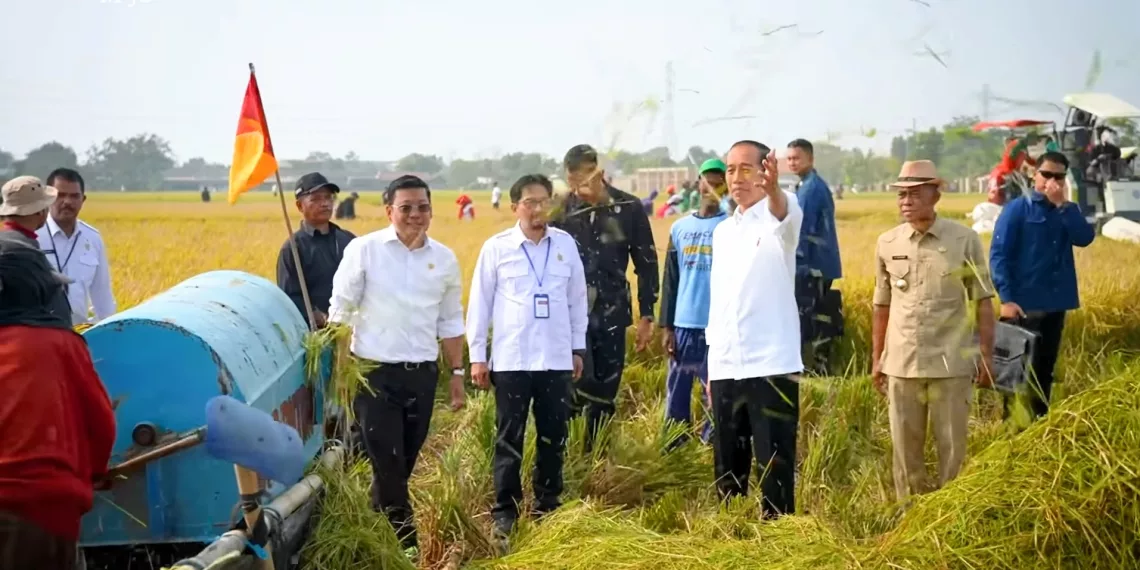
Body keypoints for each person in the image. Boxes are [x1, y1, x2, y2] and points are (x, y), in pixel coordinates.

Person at [327, 174, 466, 561]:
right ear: (389, 211)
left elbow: (451, 322)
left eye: (422, 207)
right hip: (373, 375)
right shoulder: (364, 250)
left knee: (401, 465)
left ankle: (368, 539)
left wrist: (456, 376)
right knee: (387, 464)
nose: (415, 215)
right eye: (406, 208)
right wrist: (340, 368)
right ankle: (406, 548)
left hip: (422, 375)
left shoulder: (444, 259)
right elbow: (341, 311)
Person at [0, 175, 116, 569]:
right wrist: (96, 473)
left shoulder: (90, 239)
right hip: (44, 513)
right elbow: (101, 424)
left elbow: (104, 301)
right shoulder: (63, 346)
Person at [466, 174, 588, 538]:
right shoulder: (497, 247)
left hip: (555, 359)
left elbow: (577, 299)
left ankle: (548, 504)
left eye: (544, 201)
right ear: (515, 206)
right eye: (530, 202)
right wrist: (477, 356)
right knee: (509, 438)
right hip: (512, 359)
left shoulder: (566, 245)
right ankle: (506, 511)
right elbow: (480, 304)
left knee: (554, 435)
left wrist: (577, 348)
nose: (538, 209)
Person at [871, 160, 995, 502]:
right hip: (901, 363)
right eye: (901, 195)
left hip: (950, 365)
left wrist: (985, 355)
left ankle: (948, 518)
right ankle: (908, 521)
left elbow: (983, 300)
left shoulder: (964, 240)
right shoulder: (887, 242)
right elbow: (881, 305)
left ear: (935, 194)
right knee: (905, 452)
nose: (905, 201)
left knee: (952, 450)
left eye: (914, 194)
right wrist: (876, 358)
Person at [705, 140, 803, 518]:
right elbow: (719, 302)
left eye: (746, 169)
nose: (736, 178)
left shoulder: (782, 216)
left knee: (774, 464)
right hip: (728, 364)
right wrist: (714, 364)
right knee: (728, 469)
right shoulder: (723, 232)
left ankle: (778, 541)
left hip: (772, 364)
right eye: (730, 170)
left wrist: (776, 188)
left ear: (766, 172)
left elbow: (781, 209)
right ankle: (732, 537)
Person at [552, 144, 658, 450]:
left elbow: (646, 263)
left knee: (606, 390)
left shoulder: (628, 208)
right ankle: (567, 454)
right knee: (577, 382)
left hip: (613, 309)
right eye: (574, 183)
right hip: (570, 313)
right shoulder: (560, 211)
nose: (580, 191)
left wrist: (647, 314)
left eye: (586, 181)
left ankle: (595, 454)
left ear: (599, 173)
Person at [990, 151, 1095, 422]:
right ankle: (1012, 433)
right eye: (1046, 174)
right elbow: (999, 255)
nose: (1051, 180)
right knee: (1017, 374)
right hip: (1023, 306)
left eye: (1058, 176)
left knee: (1044, 371)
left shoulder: (1067, 210)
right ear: (1034, 175)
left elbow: (1084, 238)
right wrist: (1007, 298)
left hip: (1055, 304)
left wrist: (1062, 206)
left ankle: (1039, 426)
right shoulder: (1017, 209)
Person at [659, 166, 727, 448]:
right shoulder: (680, 228)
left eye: (717, 183)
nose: (710, 188)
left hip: (718, 326)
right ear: (698, 185)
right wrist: (667, 326)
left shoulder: (732, 226)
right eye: (706, 182)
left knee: (715, 391)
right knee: (677, 390)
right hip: (684, 324)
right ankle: (675, 445)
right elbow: (671, 280)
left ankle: (710, 445)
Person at [785, 139, 842, 375]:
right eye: (789, 159)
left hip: (812, 266)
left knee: (809, 318)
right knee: (818, 318)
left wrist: (793, 266)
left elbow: (802, 231)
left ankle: (811, 369)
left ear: (810, 159)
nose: (792, 163)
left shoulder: (810, 189)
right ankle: (817, 368)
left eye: (796, 158)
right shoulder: (809, 185)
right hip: (820, 265)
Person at [34, 168, 117, 327]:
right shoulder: (33, 236)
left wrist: (111, 331)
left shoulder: (92, 238)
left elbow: (102, 296)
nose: (68, 202)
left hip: (76, 334)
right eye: (61, 195)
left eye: (74, 196)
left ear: (83, 200)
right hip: (39, 333)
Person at [276, 173, 356, 330]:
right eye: (316, 199)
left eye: (328, 197)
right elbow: (289, 296)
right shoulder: (293, 248)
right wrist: (315, 315)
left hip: (353, 331)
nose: (325, 204)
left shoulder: (349, 240)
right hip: (317, 335)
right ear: (300, 206)